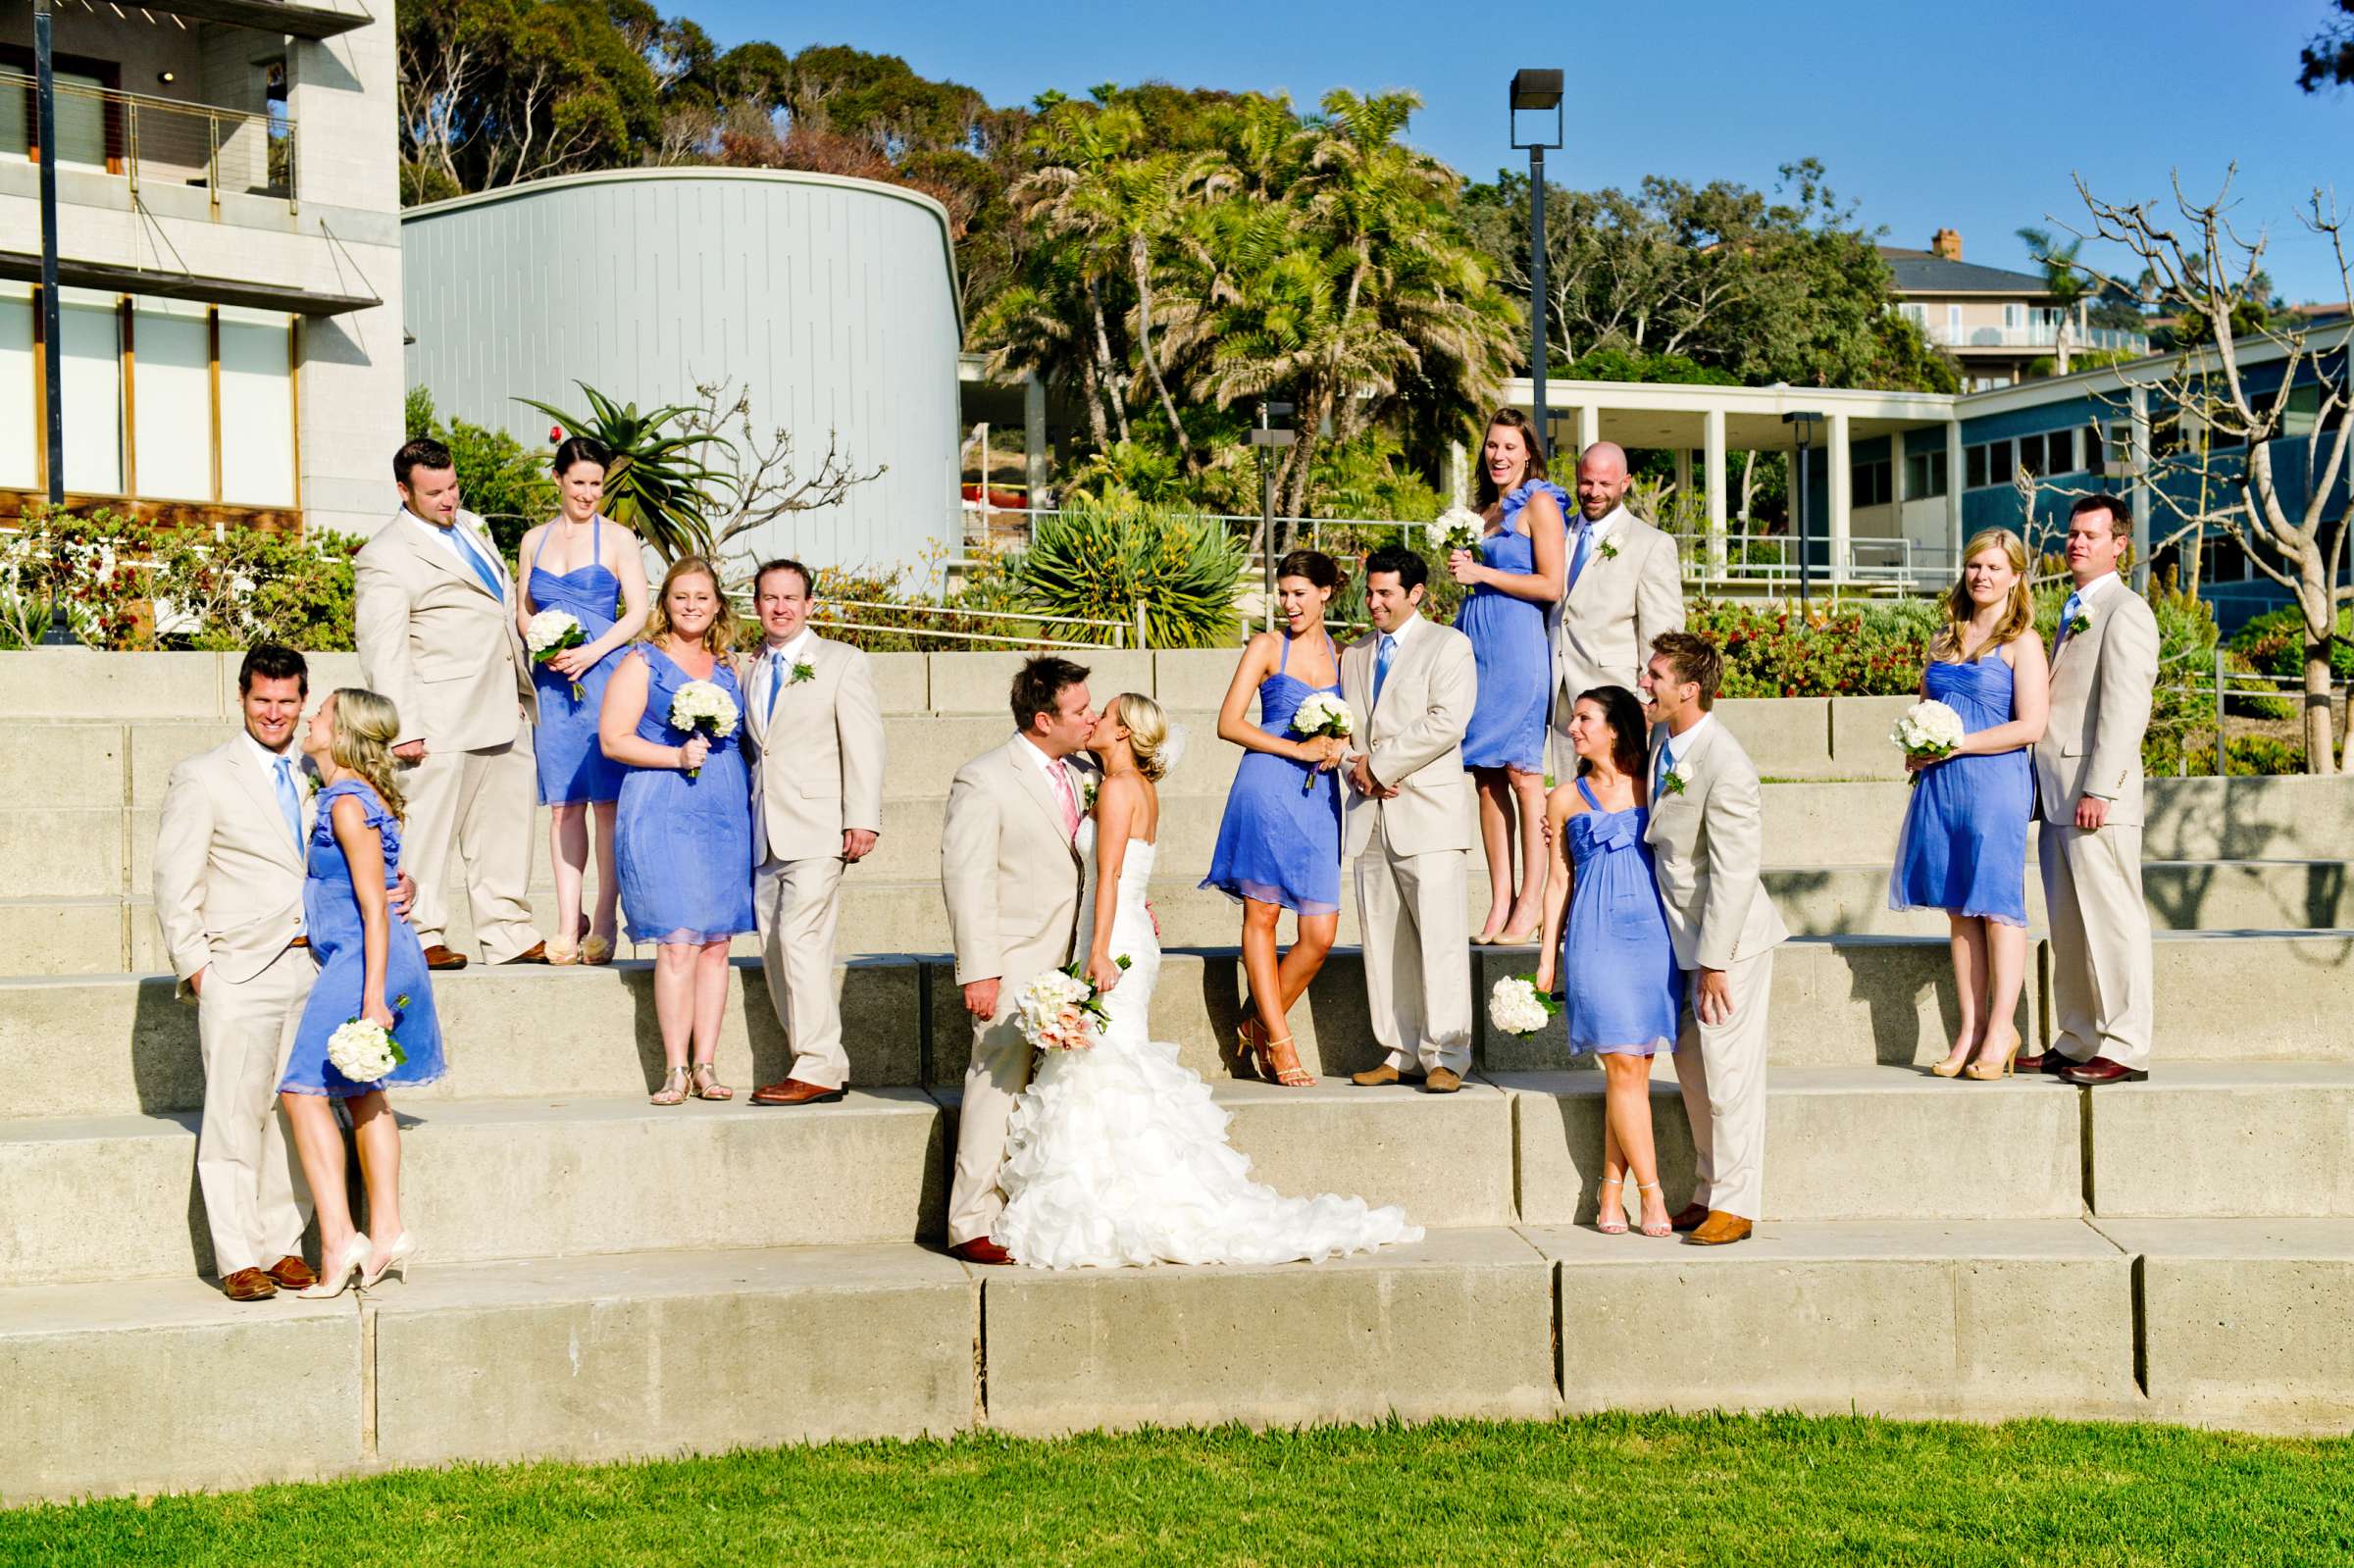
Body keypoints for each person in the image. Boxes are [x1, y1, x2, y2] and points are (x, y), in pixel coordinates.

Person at [994, 694, 1422, 1268]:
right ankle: (1113, 1188)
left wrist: (1096, 951)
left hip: (1112, 940)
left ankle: (1110, 1199)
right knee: (1108, 1061)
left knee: (1102, 1066)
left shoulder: (1119, 790)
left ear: (1123, 733)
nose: (1093, 719)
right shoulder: (1136, 786)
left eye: (1107, 714)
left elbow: (1112, 875)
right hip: (1128, 932)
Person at [153, 646, 328, 1301]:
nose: (274, 713)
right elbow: (175, 880)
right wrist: (201, 969)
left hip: (309, 966)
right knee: (232, 1116)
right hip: (237, 970)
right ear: (241, 697)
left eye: (286, 701)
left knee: (295, 1112)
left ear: (303, 700)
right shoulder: (203, 775)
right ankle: (236, 1254)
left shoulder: (318, 771)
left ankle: (283, 1242)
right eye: (262, 700)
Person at [354, 436, 546, 969]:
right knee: (428, 830)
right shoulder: (385, 555)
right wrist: (404, 726)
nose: (449, 500)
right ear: (403, 490)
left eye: (453, 487)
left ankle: (506, 929)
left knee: (506, 829)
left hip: (503, 704)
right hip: (437, 719)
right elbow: (382, 648)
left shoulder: (473, 529)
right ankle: (421, 929)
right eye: (435, 492)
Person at [278, 688, 445, 1297]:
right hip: (367, 954)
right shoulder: (350, 794)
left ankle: (340, 1238)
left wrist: (373, 997)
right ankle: (390, 1229)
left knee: (301, 1091)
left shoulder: (347, 801)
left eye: (318, 714)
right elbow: (386, 882)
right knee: (363, 1090)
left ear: (341, 732)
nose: (307, 719)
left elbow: (376, 909)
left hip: (365, 959)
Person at [938, 656, 1096, 1265]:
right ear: (1041, 719)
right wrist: (979, 969)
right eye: (1079, 710)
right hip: (1013, 959)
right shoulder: (983, 778)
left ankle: (1036, 1210)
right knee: (995, 1082)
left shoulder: (1085, 769)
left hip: (1075, 958)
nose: (1091, 717)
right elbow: (967, 879)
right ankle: (970, 1219)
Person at [1639, 632, 1787, 1247]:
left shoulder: (1727, 765)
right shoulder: (1660, 742)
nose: (1645, 684)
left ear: (1689, 690)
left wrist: (1716, 964)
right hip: (1680, 939)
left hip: (1728, 947)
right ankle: (1706, 1190)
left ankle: (1738, 1204)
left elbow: (1733, 871)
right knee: (1695, 1075)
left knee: (1730, 1075)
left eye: (1655, 677)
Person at [1888, 528, 2048, 1080]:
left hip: (1994, 783)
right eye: (1975, 565)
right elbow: (1925, 707)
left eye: (1995, 568)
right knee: (1959, 908)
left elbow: (2032, 725)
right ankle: (1969, 1029)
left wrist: (1960, 743)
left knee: (1998, 906)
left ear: (2016, 577)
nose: (1982, 576)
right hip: (1942, 787)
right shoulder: (1943, 637)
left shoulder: (2022, 641)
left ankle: (2002, 1029)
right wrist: (1917, 748)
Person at [601, 556, 756, 1106]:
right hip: (661, 806)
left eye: (702, 597)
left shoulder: (731, 667)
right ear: (665, 602)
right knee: (676, 943)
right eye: (680, 596)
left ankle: (707, 1065)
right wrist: (674, 755)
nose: (691, 605)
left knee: (716, 944)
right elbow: (613, 740)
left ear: (718, 605)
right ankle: (674, 1069)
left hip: (721, 808)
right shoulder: (641, 662)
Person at [2017, 496, 2159, 1087]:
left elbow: (2127, 711)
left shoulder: (2126, 611)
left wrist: (2100, 787)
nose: (2077, 543)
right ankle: (2078, 1036)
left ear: (2120, 544)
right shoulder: (2072, 609)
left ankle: (2126, 1045)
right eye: (2073, 534)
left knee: (2114, 921)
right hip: (2057, 794)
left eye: (2091, 535)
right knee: (2069, 924)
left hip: (2097, 797)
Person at [1532, 685, 1681, 1239]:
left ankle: (1610, 1191)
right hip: (1594, 937)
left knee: (1634, 1071)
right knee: (1621, 1065)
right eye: (1573, 719)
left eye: (1584, 718)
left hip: (1650, 937)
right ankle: (1653, 1192)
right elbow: (1557, 880)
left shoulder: (1653, 788)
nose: (1573, 728)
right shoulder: (1562, 799)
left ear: (1614, 728)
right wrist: (1548, 956)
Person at [1202, 549, 1349, 1087]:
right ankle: (1281, 1044)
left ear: (1326, 593)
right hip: (1266, 785)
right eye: (1282, 593)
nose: (1288, 604)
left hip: (1319, 798)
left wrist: (1336, 746)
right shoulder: (1267, 645)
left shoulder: (1346, 655)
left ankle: (1254, 1023)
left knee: (1320, 932)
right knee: (1262, 918)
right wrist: (1298, 750)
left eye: (1299, 594)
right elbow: (1228, 723)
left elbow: (1354, 725)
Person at [742, 559, 885, 1108]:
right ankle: (817, 1060)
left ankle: (819, 1065)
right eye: (769, 598)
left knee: (801, 940)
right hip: (765, 831)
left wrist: (862, 817)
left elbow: (865, 743)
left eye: (791, 598)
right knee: (777, 949)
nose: (780, 607)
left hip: (821, 827)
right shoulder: (749, 667)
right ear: (756, 604)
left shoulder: (842, 662)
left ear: (809, 605)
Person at [1339, 546, 1479, 1094]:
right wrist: (1357, 765)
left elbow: (1448, 722)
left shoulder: (1449, 645)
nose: (1373, 602)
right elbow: (1346, 729)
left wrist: (1382, 763)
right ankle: (1398, 1049)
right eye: (1370, 592)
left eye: (1385, 594)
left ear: (1415, 594)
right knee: (1383, 938)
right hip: (1368, 812)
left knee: (1440, 939)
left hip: (1428, 812)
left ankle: (1448, 1053)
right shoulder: (1353, 656)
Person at [514, 436, 649, 965]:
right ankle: (568, 925)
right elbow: (523, 609)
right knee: (563, 809)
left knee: (607, 807)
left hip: (605, 676)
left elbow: (636, 613)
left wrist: (590, 651)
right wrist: (540, 642)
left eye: (597, 483)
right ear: (558, 480)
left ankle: (607, 916)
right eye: (579, 483)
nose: (589, 493)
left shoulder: (618, 539)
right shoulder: (532, 540)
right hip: (553, 685)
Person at [1451, 409, 1567, 945]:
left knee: (1523, 774)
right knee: (1486, 776)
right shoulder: (1483, 512)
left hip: (1519, 650)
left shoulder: (1539, 503)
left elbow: (1551, 585)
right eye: (1492, 447)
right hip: (1478, 649)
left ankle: (1532, 903)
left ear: (1528, 452)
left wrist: (1480, 572)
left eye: (1509, 447)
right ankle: (1499, 899)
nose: (1499, 456)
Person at [1553, 441, 1684, 784]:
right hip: (1558, 699)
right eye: (1586, 482)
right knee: (1569, 800)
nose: (1593, 492)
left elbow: (1664, 634)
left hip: (1617, 702)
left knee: (1614, 800)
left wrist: (1646, 699)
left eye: (1604, 484)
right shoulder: (1555, 534)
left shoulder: (1651, 544)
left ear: (1625, 483)